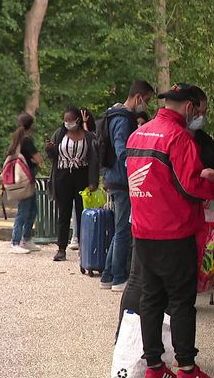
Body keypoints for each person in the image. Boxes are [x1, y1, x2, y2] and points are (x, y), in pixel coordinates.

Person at [126, 83, 214, 378]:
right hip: (174, 230)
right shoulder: (178, 137)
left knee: (151, 298)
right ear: (191, 107)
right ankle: (187, 371)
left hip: (143, 229)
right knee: (181, 301)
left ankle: (154, 368)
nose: (201, 117)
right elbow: (190, 186)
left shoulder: (139, 134)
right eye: (202, 111)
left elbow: (161, 177)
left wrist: (198, 175)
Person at [100, 80, 154, 292]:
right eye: (147, 100)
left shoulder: (113, 115)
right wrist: (135, 167)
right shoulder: (123, 119)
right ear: (139, 97)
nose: (146, 105)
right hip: (122, 178)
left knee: (119, 228)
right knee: (123, 229)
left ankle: (108, 274)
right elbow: (122, 148)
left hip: (114, 177)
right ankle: (118, 277)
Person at [45, 106, 99, 261]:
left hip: (82, 176)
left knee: (82, 213)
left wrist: (93, 181)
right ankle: (61, 248)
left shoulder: (88, 137)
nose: (68, 123)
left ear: (77, 119)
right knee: (64, 213)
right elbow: (52, 156)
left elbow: (94, 160)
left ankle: (85, 248)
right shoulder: (59, 135)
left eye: (71, 120)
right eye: (65, 120)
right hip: (62, 177)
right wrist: (49, 149)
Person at [7, 113, 43, 254]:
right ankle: (15, 242)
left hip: (22, 181)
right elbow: (38, 159)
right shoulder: (26, 141)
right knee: (24, 211)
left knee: (32, 210)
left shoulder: (17, 140)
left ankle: (26, 239)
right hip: (25, 182)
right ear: (31, 126)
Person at [69, 108, 96, 250]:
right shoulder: (71, 135)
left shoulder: (90, 135)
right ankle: (77, 236)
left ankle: (80, 236)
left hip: (87, 175)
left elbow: (91, 140)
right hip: (81, 176)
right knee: (78, 206)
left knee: (84, 206)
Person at [185, 86, 214, 171]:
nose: (201, 117)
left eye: (204, 112)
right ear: (188, 109)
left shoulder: (207, 142)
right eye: (197, 112)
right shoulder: (173, 139)